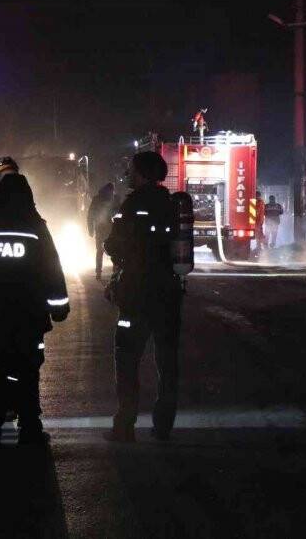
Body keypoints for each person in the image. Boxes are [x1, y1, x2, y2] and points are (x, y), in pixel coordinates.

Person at [0, 165, 69, 447]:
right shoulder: (33, 222)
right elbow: (51, 268)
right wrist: (59, 305)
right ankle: (30, 425)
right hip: (28, 314)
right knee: (27, 367)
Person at [103, 151, 182, 443]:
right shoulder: (173, 204)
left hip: (136, 294)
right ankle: (163, 426)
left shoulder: (132, 203)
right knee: (168, 362)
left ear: (143, 173)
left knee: (127, 360)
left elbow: (114, 245)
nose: (127, 175)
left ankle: (124, 425)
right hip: (169, 296)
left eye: (131, 170)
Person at [87, 182, 118, 279]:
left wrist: (91, 229)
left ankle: (98, 272)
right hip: (110, 228)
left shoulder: (96, 199)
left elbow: (90, 215)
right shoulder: (114, 199)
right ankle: (115, 271)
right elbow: (119, 212)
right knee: (114, 249)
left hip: (99, 227)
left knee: (99, 251)